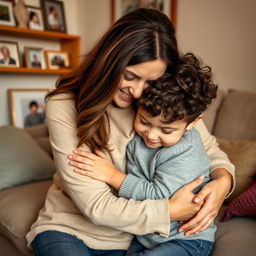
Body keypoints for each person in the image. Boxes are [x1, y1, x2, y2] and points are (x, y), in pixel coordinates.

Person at [26, 8, 235, 256]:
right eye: (130, 76)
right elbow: (95, 206)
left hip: (132, 236)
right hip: (69, 227)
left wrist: (223, 183)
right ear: (110, 61)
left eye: (150, 81)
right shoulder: (64, 105)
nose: (137, 92)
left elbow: (209, 151)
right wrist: (171, 210)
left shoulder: (161, 102)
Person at [71, 53, 217, 256]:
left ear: (193, 123)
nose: (151, 135)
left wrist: (113, 176)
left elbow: (161, 196)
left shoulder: (186, 152)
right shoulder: (136, 138)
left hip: (187, 239)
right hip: (146, 235)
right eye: (144, 121)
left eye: (166, 131)